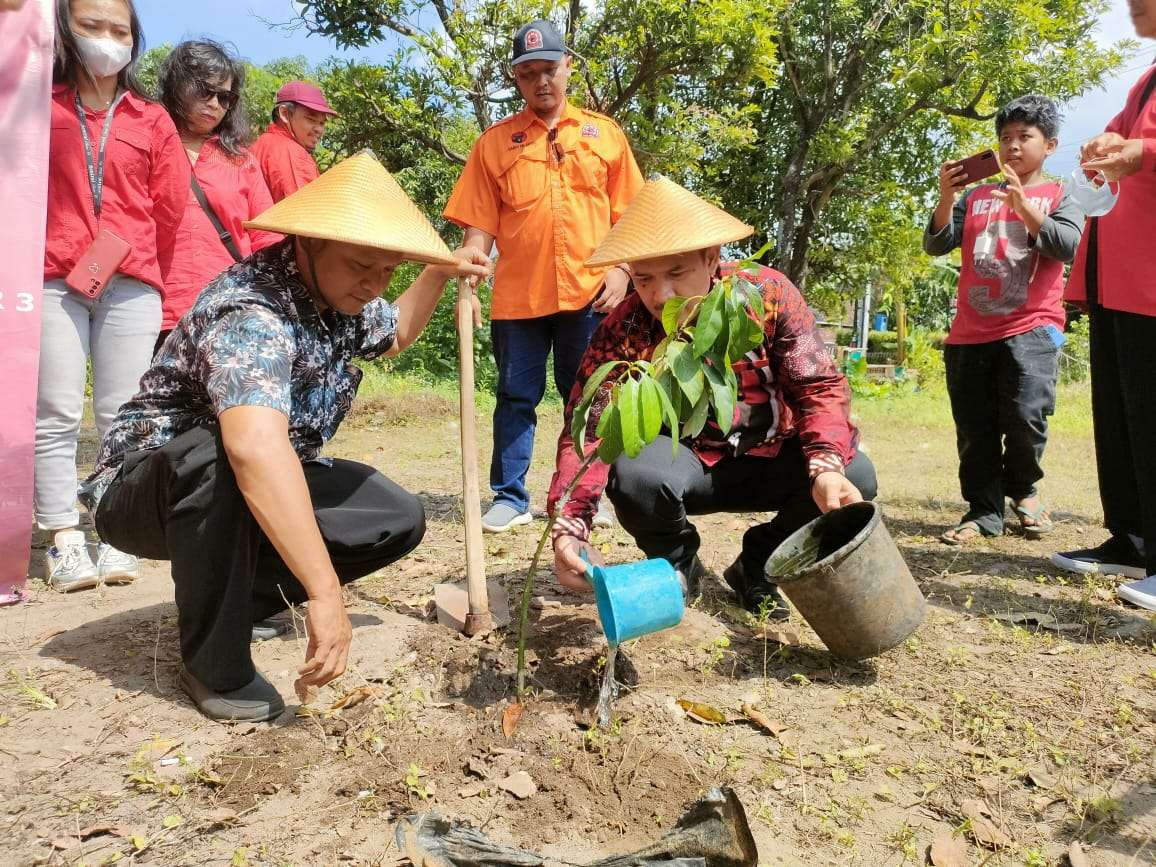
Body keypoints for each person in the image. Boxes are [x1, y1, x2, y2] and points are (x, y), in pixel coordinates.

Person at [79, 153, 490, 722]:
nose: (373, 285)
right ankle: (213, 664)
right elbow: (252, 449)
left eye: (388, 271)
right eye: (360, 266)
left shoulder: (339, 300)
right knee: (219, 452)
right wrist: (324, 592)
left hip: (248, 480)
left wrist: (439, 270)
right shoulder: (252, 313)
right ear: (308, 243)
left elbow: (391, 334)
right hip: (147, 491)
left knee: (390, 514)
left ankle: (233, 600)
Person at [548, 178, 876, 620]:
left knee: (854, 471)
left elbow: (817, 385)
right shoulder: (625, 328)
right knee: (634, 474)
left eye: (676, 273)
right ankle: (679, 564)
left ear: (711, 258)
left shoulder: (767, 295)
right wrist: (570, 524)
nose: (661, 294)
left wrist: (825, 467)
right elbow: (589, 429)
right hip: (685, 465)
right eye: (643, 279)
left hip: (773, 455)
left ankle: (757, 564)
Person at [444, 19, 644, 534]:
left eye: (549, 70)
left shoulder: (606, 136)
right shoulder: (494, 144)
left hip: (592, 295)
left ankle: (584, 495)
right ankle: (510, 498)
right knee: (515, 398)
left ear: (568, 67)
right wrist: (469, 278)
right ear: (517, 80)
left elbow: (634, 218)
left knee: (589, 397)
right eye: (528, 73)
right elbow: (479, 225)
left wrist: (624, 271)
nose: (541, 82)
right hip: (519, 300)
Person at [39, 0, 189, 592]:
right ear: (64, 30)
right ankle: (64, 537)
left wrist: (131, 255)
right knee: (55, 411)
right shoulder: (36, 107)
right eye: (91, 25)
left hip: (132, 282)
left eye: (119, 29)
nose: (106, 39)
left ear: (135, 40)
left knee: (123, 414)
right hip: (52, 276)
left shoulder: (151, 120)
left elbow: (171, 209)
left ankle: (113, 531)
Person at [924, 95, 1083, 546]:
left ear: (1049, 145)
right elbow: (937, 244)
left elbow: (1066, 246)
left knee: (1026, 415)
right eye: (1005, 137)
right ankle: (983, 510)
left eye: (1024, 137)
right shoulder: (975, 196)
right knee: (974, 428)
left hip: (1032, 327)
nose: (1012, 146)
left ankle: (1025, 492)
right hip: (970, 332)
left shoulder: (1059, 193)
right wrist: (946, 196)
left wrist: (1024, 206)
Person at [1051, 0, 1156, 611]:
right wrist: (1109, 140)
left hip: (1150, 273)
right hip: (1120, 273)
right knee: (1122, 413)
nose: (1133, 7)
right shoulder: (1146, 76)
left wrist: (1144, 152)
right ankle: (1133, 539)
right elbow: (1124, 134)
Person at [155, 40, 281, 351]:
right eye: (204, 91)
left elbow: (265, 236)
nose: (215, 103)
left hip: (229, 306)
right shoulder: (149, 145)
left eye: (225, 97)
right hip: (156, 308)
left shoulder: (240, 159)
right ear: (177, 85)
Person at [250, 80, 336, 203]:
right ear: (284, 114)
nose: (319, 130)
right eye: (311, 119)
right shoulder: (292, 153)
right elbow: (304, 212)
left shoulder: (261, 143)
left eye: (322, 123)